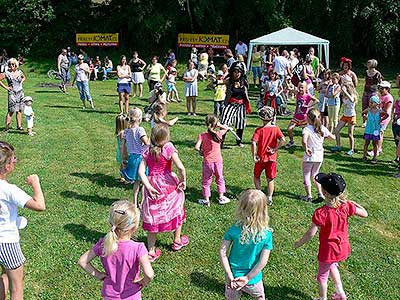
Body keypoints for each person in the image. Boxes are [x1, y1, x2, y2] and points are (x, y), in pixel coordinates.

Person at [295, 173, 368, 300]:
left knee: (322, 276)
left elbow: (310, 233)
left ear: (325, 193)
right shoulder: (347, 206)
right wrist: (354, 203)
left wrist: (299, 242)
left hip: (328, 250)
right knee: (332, 265)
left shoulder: (321, 213)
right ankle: (340, 293)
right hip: (342, 247)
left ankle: (322, 298)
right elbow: (365, 214)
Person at [78, 200, 154, 300]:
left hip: (110, 295)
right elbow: (149, 274)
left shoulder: (103, 244)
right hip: (131, 295)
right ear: (134, 227)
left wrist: (98, 275)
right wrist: (143, 281)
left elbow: (82, 261)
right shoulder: (138, 248)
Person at [0, 141, 46, 300]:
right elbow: (40, 205)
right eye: (13, 159)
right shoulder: (9, 190)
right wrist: (36, 183)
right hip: (7, 242)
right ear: (7, 167)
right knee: (17, 287)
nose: (15, 161)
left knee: (5, 276)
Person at [138, 124, 188, 262]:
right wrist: (183, 180)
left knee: (153, 214)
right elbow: (181, 167)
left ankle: (151, 250)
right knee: (176, 209)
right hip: (169, 183)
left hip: (153, 184)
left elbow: (141, 172)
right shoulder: (169, 147)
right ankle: (177, 241)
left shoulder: (147, 150)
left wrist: (148, 186)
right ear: (167, 137)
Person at [219, 189, 272, 300]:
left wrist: (229, 275)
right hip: (254, 279)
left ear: (241, 208)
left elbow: (222, 252)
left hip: (233, 278)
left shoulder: (233, 230)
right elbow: (263, 262)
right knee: (260, 296)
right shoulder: (266, 235)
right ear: (263, 210)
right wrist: (247, 278)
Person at [251, 106, 285, 205]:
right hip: (272, 159)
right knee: (270, 179)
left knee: (256, 176)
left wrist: (254, 155)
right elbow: (283, 140)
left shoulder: (259, 130)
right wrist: (275, 149)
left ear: (261, 118)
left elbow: (253, 142)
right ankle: (269, 197)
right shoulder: (276, 129)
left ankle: (260, 194)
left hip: (260, 158)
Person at [195, 115, 231, 206]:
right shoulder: (218, 134)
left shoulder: (202, 136)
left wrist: (201, 152)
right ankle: (221, 197)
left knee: (206, 181)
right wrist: (219, 124)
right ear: (215, 124)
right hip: (218, 161)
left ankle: (206, 200)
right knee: (220, 178)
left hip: (208, 162)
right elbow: (226, 128)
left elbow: (196, 147)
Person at [300, 109, 335, 202]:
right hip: (319, 156)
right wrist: (325, 136)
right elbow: (333, 137)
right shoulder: (322, 128)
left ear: (308, 118)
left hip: (309, 156)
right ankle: (320, 194)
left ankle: (309, 196)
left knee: (306, 175)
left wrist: (306, 147)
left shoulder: (307, 129)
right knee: (315, 175)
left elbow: (304, 140)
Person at [120, 108, 150, 206]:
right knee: (144, 180)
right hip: (141, 158)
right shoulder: (140, 130)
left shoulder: (126, 132)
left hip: (132, 157)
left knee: (137, 182)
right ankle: (143, 202)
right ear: (139, 119)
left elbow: (122, 146)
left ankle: (135, 202)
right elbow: (146, 142)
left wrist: (123, 159)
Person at [220, 61, 251, 148]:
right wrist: (215, 82)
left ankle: (239, 141)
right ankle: (221, 141)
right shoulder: (229, 81)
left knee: (240, 123)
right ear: (232, 72)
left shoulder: (244, 82)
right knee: (225, 122)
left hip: (241, 106)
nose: (237, 74)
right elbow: (216, 83)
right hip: (230, 104)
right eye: (235, 72)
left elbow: (246, 93)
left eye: (239, 72)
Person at [285, 82, 319, 149]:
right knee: (289, 129)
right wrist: (286, 82)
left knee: (305, 133)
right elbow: (289, 88)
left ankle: (307, 145)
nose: (300, 89)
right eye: (299, 87)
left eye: (302, 87)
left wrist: (308, 106)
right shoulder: (297, 94)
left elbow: (317, 101)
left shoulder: (307, 96)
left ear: (305, 88)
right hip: (296, 116)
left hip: (304, 118)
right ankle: (291, 141)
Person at [331, 83, 358, 155]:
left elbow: (352, 100)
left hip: (351, 116)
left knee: (350, 134)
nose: (342, 90)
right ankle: (338, 146)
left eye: (344, 89)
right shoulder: (344, 96)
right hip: (345, 116)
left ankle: (351, 149)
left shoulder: (352, 96)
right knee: (336, 130)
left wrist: (345, 92)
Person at [0, 58, 26, 131]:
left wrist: (21, 82)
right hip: (12, 93)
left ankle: (19, 126)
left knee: (19, 110)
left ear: (16, 65)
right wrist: (6, 87)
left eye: (13, 64)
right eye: (10, 64)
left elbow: (24, 77)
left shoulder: (20, 72)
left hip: (20, 92)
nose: (11, 66)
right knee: (11, 110)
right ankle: (7, 127)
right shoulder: (7, 73)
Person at [362, 96, 388, 164]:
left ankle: (375, 157)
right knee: (366, 143)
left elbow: (387, 115)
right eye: (370, 102)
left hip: (375, 130)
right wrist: (365, 117)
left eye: (372, 102)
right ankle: (364, 156)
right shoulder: (368, 109)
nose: (370, 104)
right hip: (368, 129)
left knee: (375, 143)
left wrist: (381, 119)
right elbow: (363, 113)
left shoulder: (379, 111)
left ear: (377, 103)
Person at [374, 81, 393, 156]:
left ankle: (377, 149)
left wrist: (380, 118)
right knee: (378, 133)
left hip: (384, 118)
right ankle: (378, 148)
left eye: (382, 88)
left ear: (387, 89)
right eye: (379, 88)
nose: (380, 89)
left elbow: (385, 111)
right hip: (379, 117)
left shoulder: (388, 98)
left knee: (379, 133)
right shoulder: (381, 96)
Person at [115, 113, 128, 183]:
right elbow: (123, 144)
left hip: (120, 151)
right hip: (124, 150)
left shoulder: (119, 132)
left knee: (122, 164)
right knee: (125, 163)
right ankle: (124, 177)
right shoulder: (123, 133)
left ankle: (122, 176)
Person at [392, 90, 400, 163]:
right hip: (396, 123)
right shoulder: (397, 101)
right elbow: (394, 109)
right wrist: (394, 117)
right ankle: (397, 157)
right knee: (397, 140)